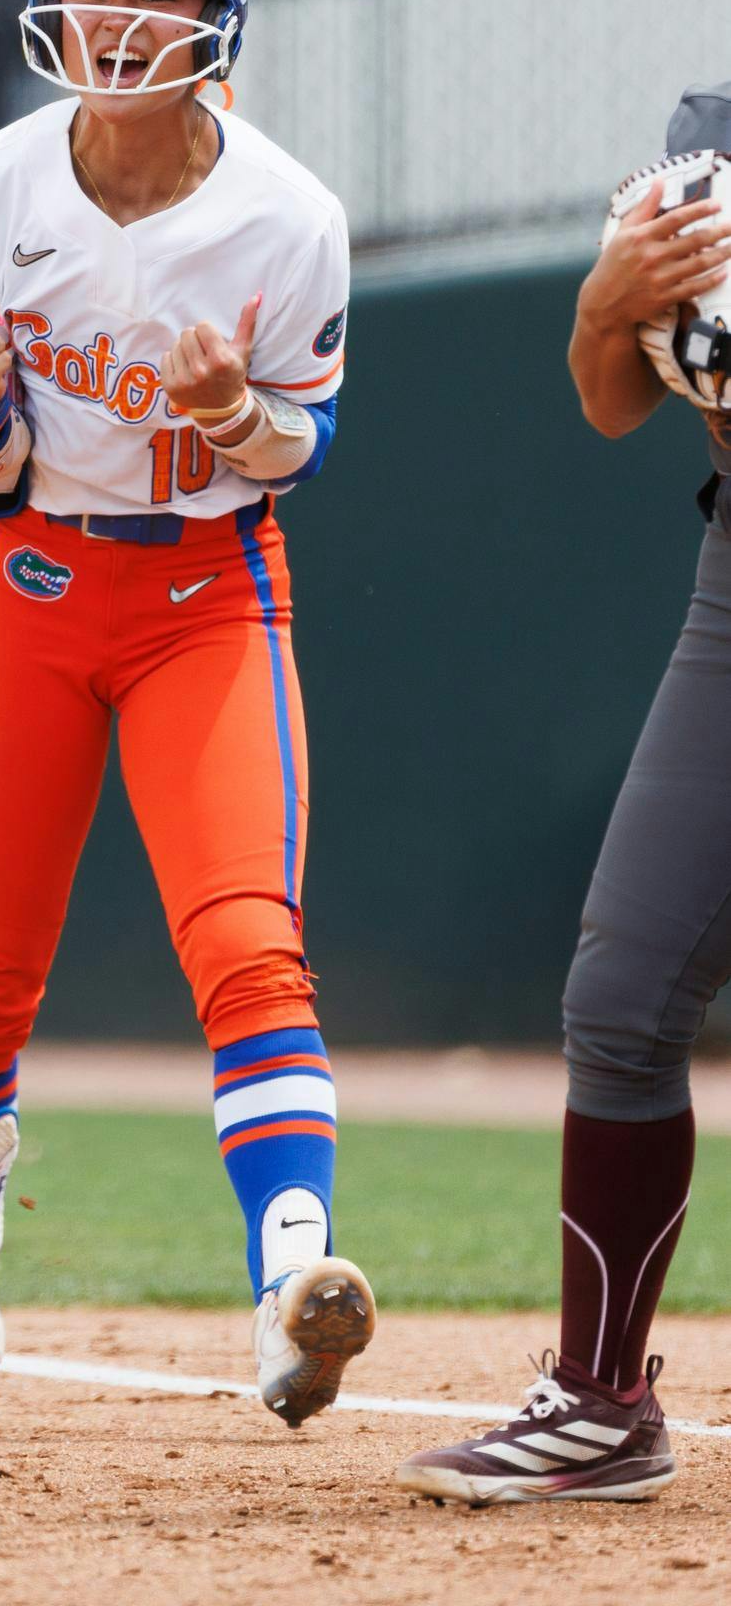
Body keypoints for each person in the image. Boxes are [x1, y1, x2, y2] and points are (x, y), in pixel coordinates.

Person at [0, 0, 375, 1438]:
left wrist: (231, 408)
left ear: (217, 26)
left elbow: (296, 447)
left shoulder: (288, 218)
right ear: (54, 1)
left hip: (207, 592)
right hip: (34, 581)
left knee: (247, 941)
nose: (120, 17)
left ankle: (294, 1284)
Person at [397, 82, 731, 1505]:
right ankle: (600, 1404)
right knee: (618, 999)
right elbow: (608, 404)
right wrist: (605, 305)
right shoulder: (705, 138)